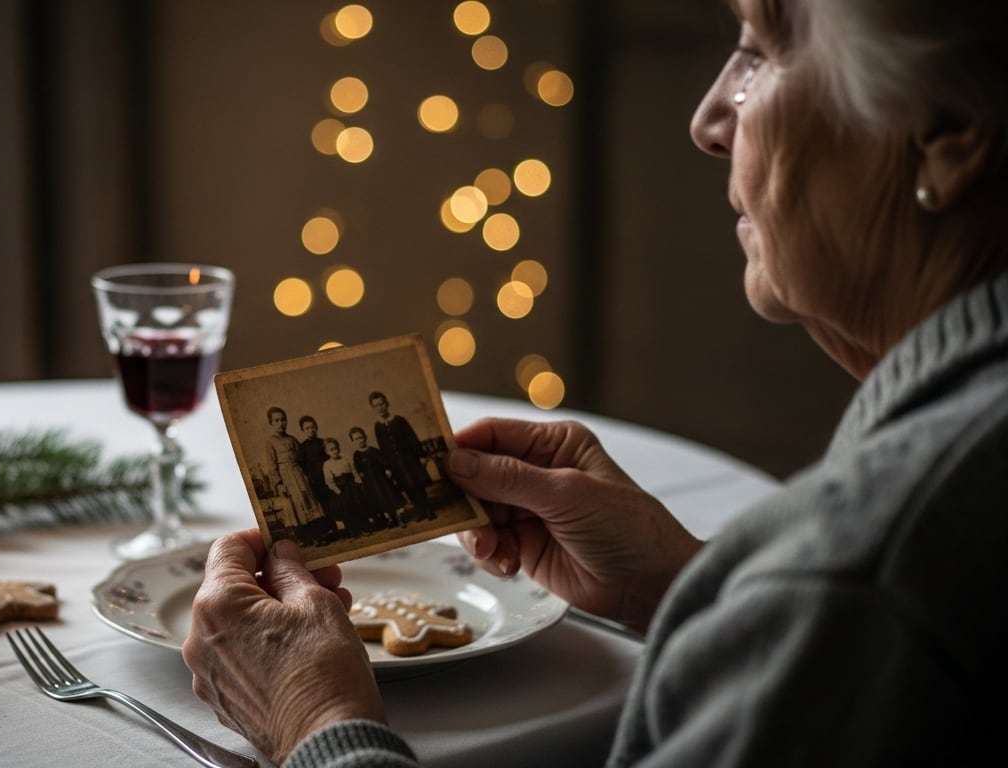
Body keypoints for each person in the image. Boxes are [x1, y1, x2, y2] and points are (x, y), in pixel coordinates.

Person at [184, 0, 1008, 765]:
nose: (709, 120)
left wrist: (316, 723)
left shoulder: (872, 574)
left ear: (947, 128)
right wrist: (686, 589)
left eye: (759, 51)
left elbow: (868, 614)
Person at [261, 406, 325, 543]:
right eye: (276, 420)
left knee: (307, 502)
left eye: (283, 420)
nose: (280, 423)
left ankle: (317, 536)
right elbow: (272, 466)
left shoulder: (292, 439)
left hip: (299, 475)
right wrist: (279, 484)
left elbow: (302, 457)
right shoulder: (270, 443)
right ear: (271, 423)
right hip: (286, 478)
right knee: (294, 506)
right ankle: (303, 538)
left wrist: (307, 474)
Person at [368, 391, 434, 522]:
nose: (379, 407)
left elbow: (412, 438)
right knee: (407, 487)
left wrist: (420, 455)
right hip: (395, 463)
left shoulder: (399, 420)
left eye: (381, 404)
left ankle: (428, 509)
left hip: (408, 459)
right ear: (373, 408)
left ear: (387, 404)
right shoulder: (378, 427)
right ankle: (419, 510)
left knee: (417, 484)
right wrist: (387, 466)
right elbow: (382, 447)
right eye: (376, 405)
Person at [348, 426, 404, 532]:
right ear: (353, 442)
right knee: (379, 499)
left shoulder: (373, 450)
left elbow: (383, 461)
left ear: (365, 437)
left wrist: (387, 469)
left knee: (389, 496)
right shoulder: (356, 455)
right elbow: (358, 468)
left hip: (381, 478)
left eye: (360, 437)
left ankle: (399, 518)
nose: (359, 440)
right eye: (356, 439)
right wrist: (360, 477)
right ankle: (389, 518)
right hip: (370, 482)